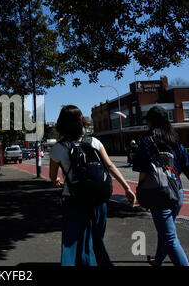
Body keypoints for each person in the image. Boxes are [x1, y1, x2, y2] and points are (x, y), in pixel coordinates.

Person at [49, 105, 136, 266]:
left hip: (73, 199)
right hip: (98, 198)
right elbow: (109, 166)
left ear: (61, 123)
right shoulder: (94, 142)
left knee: (72, 240)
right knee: (96, 237)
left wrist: (57, 180)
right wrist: (127, 188)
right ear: (81, 121)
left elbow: (52, 176)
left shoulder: (58, 148)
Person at [132, 106, 189, 266]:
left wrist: (140, 191)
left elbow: (143, 172)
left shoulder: (148, 141)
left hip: (158, 194)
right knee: (166, 232)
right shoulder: (174, 140)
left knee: (169, 237)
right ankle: (158, 261)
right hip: (177, 192)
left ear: (151, 122)